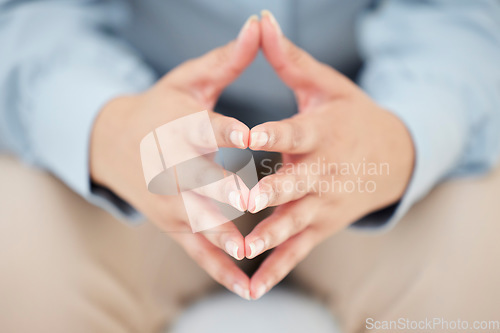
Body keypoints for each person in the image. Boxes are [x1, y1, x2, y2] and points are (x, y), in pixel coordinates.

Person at [1, 1, 500, 332]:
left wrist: (399, 138)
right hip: (142, 152)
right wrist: (109, 127)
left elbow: (460, 19)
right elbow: (37, 14)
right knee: (18, 249)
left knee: (481, 254)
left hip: (359, 148)